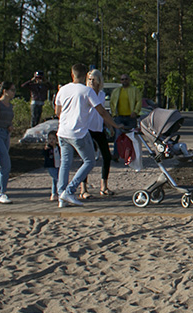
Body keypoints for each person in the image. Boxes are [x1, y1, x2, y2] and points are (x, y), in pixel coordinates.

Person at [55, 63, 120, 208]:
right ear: (85, 76)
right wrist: (115, 125)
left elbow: (57, 112)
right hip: (78, 133)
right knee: (89, 161)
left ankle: (61, 195)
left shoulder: (63, 89)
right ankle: (70, 190)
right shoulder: (87, 91)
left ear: (72, 74)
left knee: (65, 163)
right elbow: (102, 112)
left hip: (62, 132)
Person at [80, 69, 114, 198]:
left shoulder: (101, 94)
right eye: (89, 79)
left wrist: (109, 126)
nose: (91, 82)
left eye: (94, 79)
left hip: (98, 128)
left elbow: (103, 112)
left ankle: (104, 186)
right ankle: (83, 189)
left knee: (106, 156)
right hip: (87, 129)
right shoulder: (85, 93)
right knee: (86, 158)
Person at [110, 73, 142, 159]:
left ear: (129, 80)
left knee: (131, 137)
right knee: (118, 136)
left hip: (130, 117)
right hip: (119, 117)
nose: (124, 81)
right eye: (122, 79)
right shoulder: (116, 91)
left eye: (126, 79)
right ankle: (116, 155)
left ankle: (131, 155)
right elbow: (112, 103)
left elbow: (139, 101)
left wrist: (135, 111)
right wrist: (114, 114)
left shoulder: (134, 90)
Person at [43, 131, 60, 201]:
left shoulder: (58, 147)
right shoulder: (48, 148)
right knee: (57, 179)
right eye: (50, 139)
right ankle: (59, 192)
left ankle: (54, 193)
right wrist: (45, 150)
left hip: (58, 165)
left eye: (53, 139)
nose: (51, 141)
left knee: (55, 180)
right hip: (51, 166)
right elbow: (44, 154)